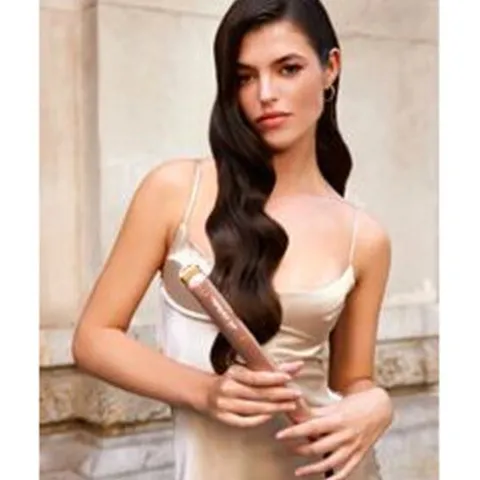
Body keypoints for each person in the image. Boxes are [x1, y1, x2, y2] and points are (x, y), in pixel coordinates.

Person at [72, 0, 394, 479]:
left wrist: (378, 403)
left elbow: (353, 382)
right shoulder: (177, 191)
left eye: (288, 69)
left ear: (330, 69)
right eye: (245, 77)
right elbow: (93, 339)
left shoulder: (363, 237)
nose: (265, 93)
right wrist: (204, 391)